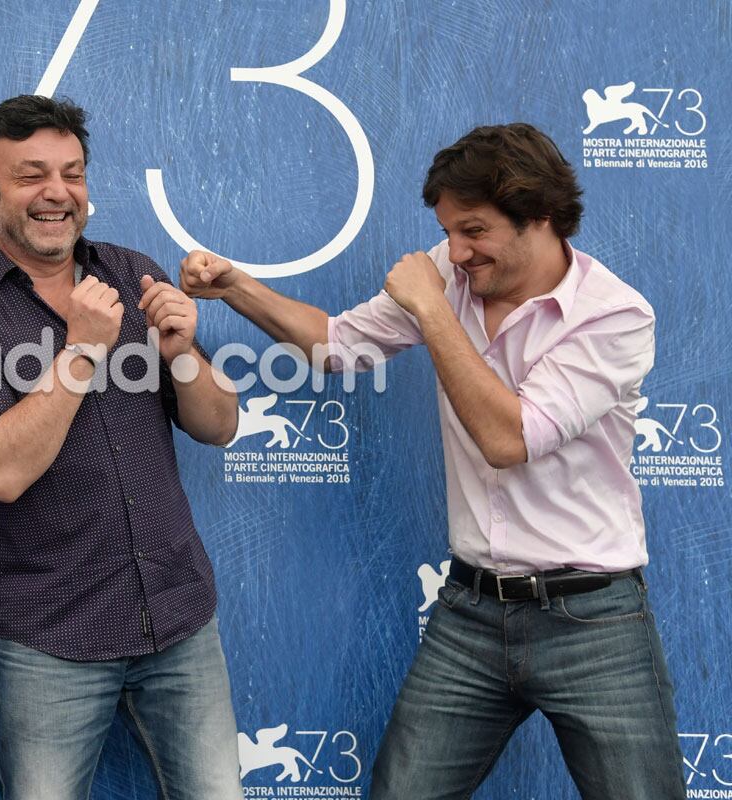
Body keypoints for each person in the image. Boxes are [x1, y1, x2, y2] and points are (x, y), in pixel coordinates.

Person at [181, 123, 686, 799]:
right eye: (447, 232)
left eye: (472, 231)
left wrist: (430, 307)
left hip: (593, 621)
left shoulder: (613, 316)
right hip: (470, 613)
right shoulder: (450, 275)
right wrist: (235, 287)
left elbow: (509, 439)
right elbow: (337, 345)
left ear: (538, 216)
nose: (454, 251)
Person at [0, 95, 242, 800]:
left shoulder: (132, 274)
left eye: (72, 173)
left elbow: (220, 426)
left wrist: (184, 354)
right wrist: (81, 352)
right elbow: (0, 473)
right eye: (32, 174)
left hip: (179, 616)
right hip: (53, 639)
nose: (57, 193)